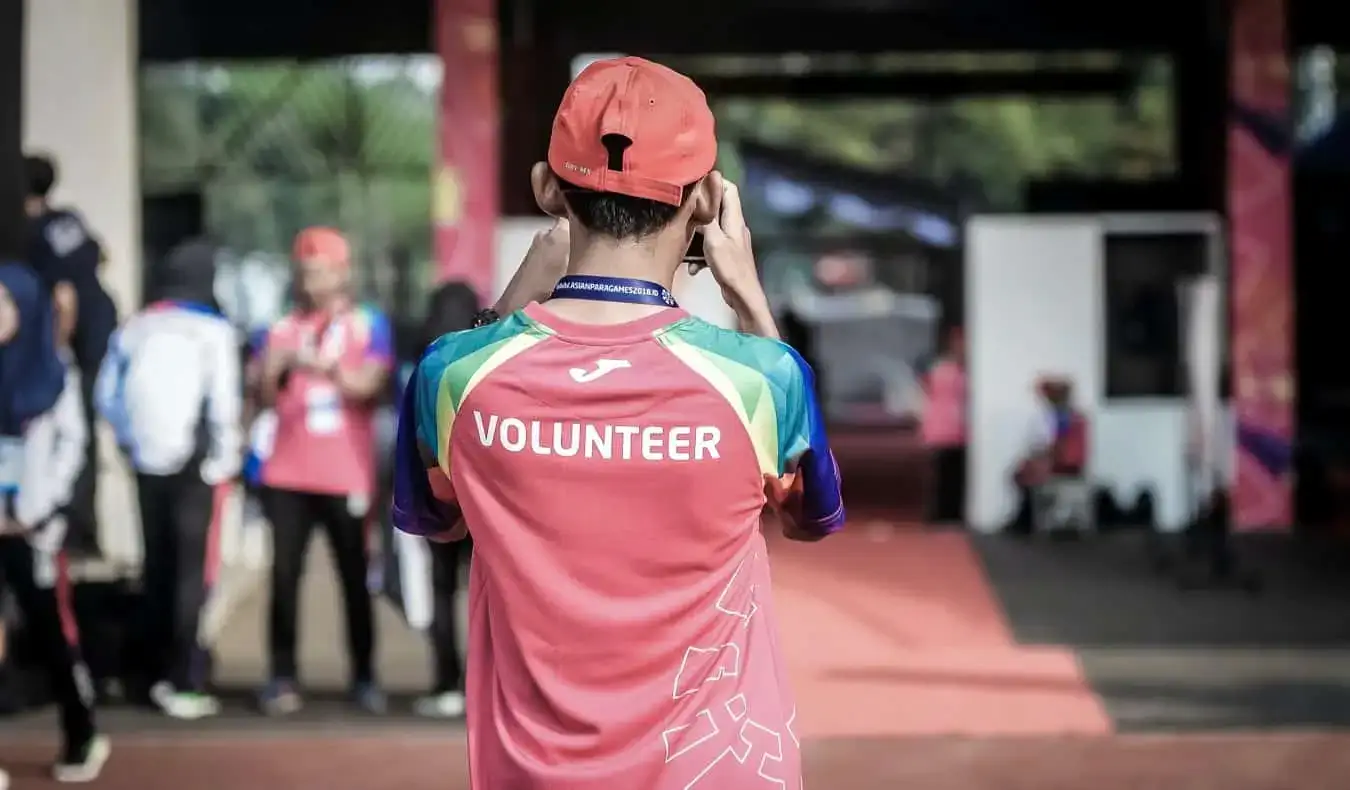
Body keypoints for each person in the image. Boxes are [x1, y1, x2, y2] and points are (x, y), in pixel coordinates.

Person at [393, 57, 844, 789]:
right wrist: (750, 299)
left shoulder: (453, 375)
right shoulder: (761, 379)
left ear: (547, 189)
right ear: (704, 203)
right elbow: (812, 517)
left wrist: (505, 310)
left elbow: (437, 522)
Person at [94, 240, 242, 719]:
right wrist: (223, 462)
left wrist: (129, 444)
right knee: (189, 576)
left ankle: (150, 676)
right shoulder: (213, 331)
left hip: (146, 466)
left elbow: (106, 395)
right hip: (194, 469)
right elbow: (224, 402)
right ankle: (183, 679)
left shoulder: (136, 327)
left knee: (156, 568)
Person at [255, 227, 392, 715]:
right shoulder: (279, 327)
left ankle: (364, 675)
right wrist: (272, 369)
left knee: (354, 577)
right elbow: (262, 396)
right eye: (305, 271)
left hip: (345, 472)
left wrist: (322, 365)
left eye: (320, 271)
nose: (311, 280)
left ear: (341, 272)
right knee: (284, 577)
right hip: (287, 471)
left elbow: (369, 384)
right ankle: (282, 675)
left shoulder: (366, 324)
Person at [0, 263, 110, 783]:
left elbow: (73, 444)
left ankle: (82, 732)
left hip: (34, 527)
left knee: (50, 632)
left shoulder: (54, 370)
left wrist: (49, 507)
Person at [24, 153, 118, 557]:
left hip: (79, 339)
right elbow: (102, 254)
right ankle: (82, 527)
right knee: (85, 432)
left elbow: (64, 298)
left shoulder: (34, 232)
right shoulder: (66, 220)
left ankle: (75, 529)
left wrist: (58, 350)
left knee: (72, 430)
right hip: (100, 329)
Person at [406, 281, 481, 719]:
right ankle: (484, 682)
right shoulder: (487, 355)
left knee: (440, 590)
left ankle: (444, 681)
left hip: (439, 491)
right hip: (483, 499)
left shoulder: (430, 359)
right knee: (488, 592)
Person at [920, 326, 967, 526]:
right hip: (945, 427)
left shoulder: (941, 369)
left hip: (952, 428)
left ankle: (945, 512)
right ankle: (942, 512)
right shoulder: (945, 369)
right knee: (943, 473)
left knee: (951, 473)